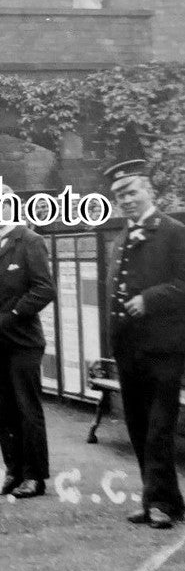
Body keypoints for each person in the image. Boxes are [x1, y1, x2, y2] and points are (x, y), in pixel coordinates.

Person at [103, 159, 185, 527]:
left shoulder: (174, 232)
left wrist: (149, 299)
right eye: (120, 195)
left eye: (132, 191)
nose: (127, 199)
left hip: (164, 348)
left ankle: (162, 504)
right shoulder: (121, 238)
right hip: (129, 349)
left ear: (149, 190)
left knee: (158, 427)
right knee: (137, 425)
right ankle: (156, 497)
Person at [0, 184, 55, 500]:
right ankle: (13, 472)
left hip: (24, 341)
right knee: (3, 410)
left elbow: (44, 289)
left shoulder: (30, 241)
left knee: (27, 409)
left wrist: (11, 314)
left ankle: (34, 477)